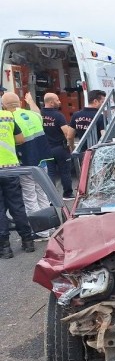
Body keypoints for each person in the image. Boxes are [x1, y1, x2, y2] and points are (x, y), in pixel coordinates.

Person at [4, 93, 52, 237]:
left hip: (26, 163)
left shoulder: (10, 118)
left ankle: (40, 231)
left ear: (4, 105)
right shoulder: (33, 115)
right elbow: (38, 114)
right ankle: (49, 227)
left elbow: (17, 140)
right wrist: (31, 101)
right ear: (19, 102)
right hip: (42, 161)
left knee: (30, 197)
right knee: (43, 195)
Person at [0, 105, 34, 257]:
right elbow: (20, 139)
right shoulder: (7, 116)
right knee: (17, 205)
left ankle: (5, 248)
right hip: (10, 168)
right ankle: (27, 241)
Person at [41, 93, 76, 200]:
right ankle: (67, 194)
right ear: (51, 102)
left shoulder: (39, 114)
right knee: (64, 171)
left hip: (46, 148)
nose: (60, 102)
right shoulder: (58, 115)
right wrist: (71, 145)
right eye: (57, 100)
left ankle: (51, 197)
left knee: (50, 172)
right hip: (60, 148)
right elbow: (67, 133)